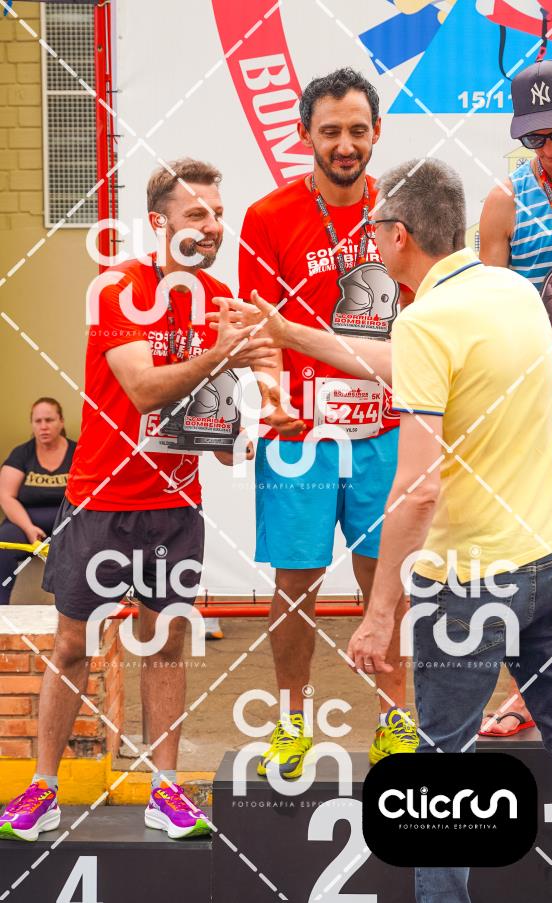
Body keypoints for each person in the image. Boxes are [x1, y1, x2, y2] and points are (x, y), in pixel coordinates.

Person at [215, 156, 552, 902]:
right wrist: (289, 330)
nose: (368, 241)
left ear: (398, 236)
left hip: (473, 580)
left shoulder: (426, 320)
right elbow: (407, 362)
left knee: (441, 772)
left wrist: (379, 613)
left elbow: (419, 490)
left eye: (373, 230)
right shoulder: (510, 291)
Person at [0, 158, 273, 843]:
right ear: (159, 223)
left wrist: (245, 434)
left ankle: (165, 789)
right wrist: (223, 355)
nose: (213, 227)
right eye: (196, 215)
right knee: (72, 644)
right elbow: (146, 390)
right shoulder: (119, 289)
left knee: (166, 643)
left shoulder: (218, 299)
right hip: (102, 501)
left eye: (218, 214)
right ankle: (42, 790)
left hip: (174, 506)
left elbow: (209, 425)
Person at [238, 67, 417, 780]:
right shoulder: (267, 216)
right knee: (295, 586)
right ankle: (292, 723)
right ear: (305, 133)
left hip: (383, 432)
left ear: (377, 133)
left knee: (387, 583)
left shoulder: (402, 208)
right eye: (331, 131)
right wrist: (270, 395)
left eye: (357, 130)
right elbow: (259, 328)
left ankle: (395, 719)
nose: (346, 144)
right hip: (299, 440)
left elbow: (422, 322)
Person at [479, 58, 552, 736]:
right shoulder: (505, 200)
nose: (549, 149)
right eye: (534, 137)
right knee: (533, 553)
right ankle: (528, 691)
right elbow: (485, 313)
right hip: (537, 406)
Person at [0, 398, 76, 603]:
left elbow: (89, 495)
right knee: (3, 542)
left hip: (68, 520)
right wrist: (28, 528)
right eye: (38, 421)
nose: (43, 426)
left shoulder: (78, 453)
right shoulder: (21, 454)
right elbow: (6, 495)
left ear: (61, 421)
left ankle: (74, 610)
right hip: (24, 520)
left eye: (49, 420)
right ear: (32, 424)